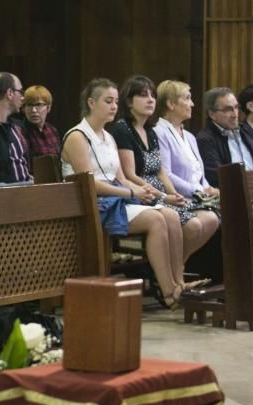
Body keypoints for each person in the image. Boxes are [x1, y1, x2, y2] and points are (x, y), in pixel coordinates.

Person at [60, 78, 188, 308]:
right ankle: (169, 291)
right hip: (91, 205)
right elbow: (88, 183)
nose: (113, 107)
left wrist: (146, 191)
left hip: (115, 197)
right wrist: (130, 194)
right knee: (156, 220)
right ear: (91, 102)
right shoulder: (77, 136)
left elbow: (121, 178)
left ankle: (180, 284)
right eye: (108, 101)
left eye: (116, 102)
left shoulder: (108, 137)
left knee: (171, 215)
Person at [107, 76, 218, 264]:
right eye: (143, 95)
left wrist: (174, 194)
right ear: (128, 101)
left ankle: (173, 268)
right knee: (193, 225)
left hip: (161, 191)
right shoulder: (122, 130)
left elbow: (160, 171)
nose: (151, 99)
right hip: (142, 193)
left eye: (152, 95)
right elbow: (130, 175)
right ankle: (169, 271)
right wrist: (165, 197)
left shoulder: (150, 130)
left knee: (211, 219)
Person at [196, 87, 253, 187]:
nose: (235, 114)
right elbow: (216, 176)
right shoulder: (206, 139)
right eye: (228, 110)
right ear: (212, 114)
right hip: (232, 193)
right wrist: (250, 180)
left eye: (236, 107)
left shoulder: (245, 129)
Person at [153, 80, 218, 201]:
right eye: (187, 98)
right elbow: (166, 173)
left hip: (200, 196)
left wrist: (209, 189)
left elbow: (199, 175)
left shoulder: (190, 137)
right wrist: (197, 191)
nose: (192, 104)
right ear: (171, 104)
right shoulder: (159, 132)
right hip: (179, 198)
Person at [20, 85, 60, 157]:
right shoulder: (19, 131)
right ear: (23, 109)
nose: (34, 110)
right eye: (29, 105)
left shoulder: (52, 130)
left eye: (39, 105)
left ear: (48, 107)